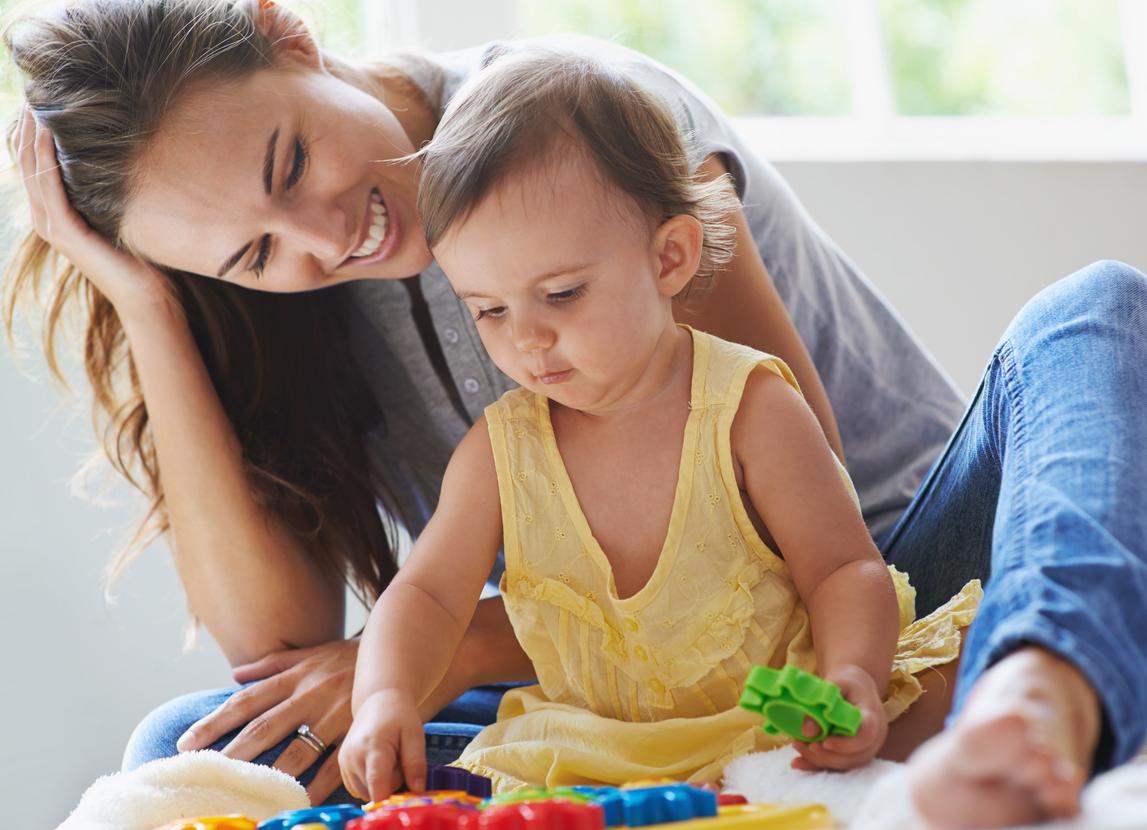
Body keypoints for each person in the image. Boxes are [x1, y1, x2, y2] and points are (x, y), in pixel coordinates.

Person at [3, 0, 1144, 825]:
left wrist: (451, 647)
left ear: (292, 33)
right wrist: (149, 301)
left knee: (1091, 312)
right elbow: (277, 647)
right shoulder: (287, 301)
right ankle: (739, 771)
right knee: (193, 751)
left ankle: (1031, 680)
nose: (321, 236)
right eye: (251, 252)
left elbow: (766, 509)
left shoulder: (571, 125)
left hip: (867, 577)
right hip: (625, 681)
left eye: (292, 160)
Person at [336, 48, 982, 800]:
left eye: (563, 293)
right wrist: (380, 698)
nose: (527, 338)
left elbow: (842, 568)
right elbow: (427, 597)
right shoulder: (499, 454)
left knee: (951, 675)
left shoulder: (748, 408)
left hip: (768, 731)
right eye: (488, 310)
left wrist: (851, 678)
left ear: (669, 256)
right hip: (596, 753)